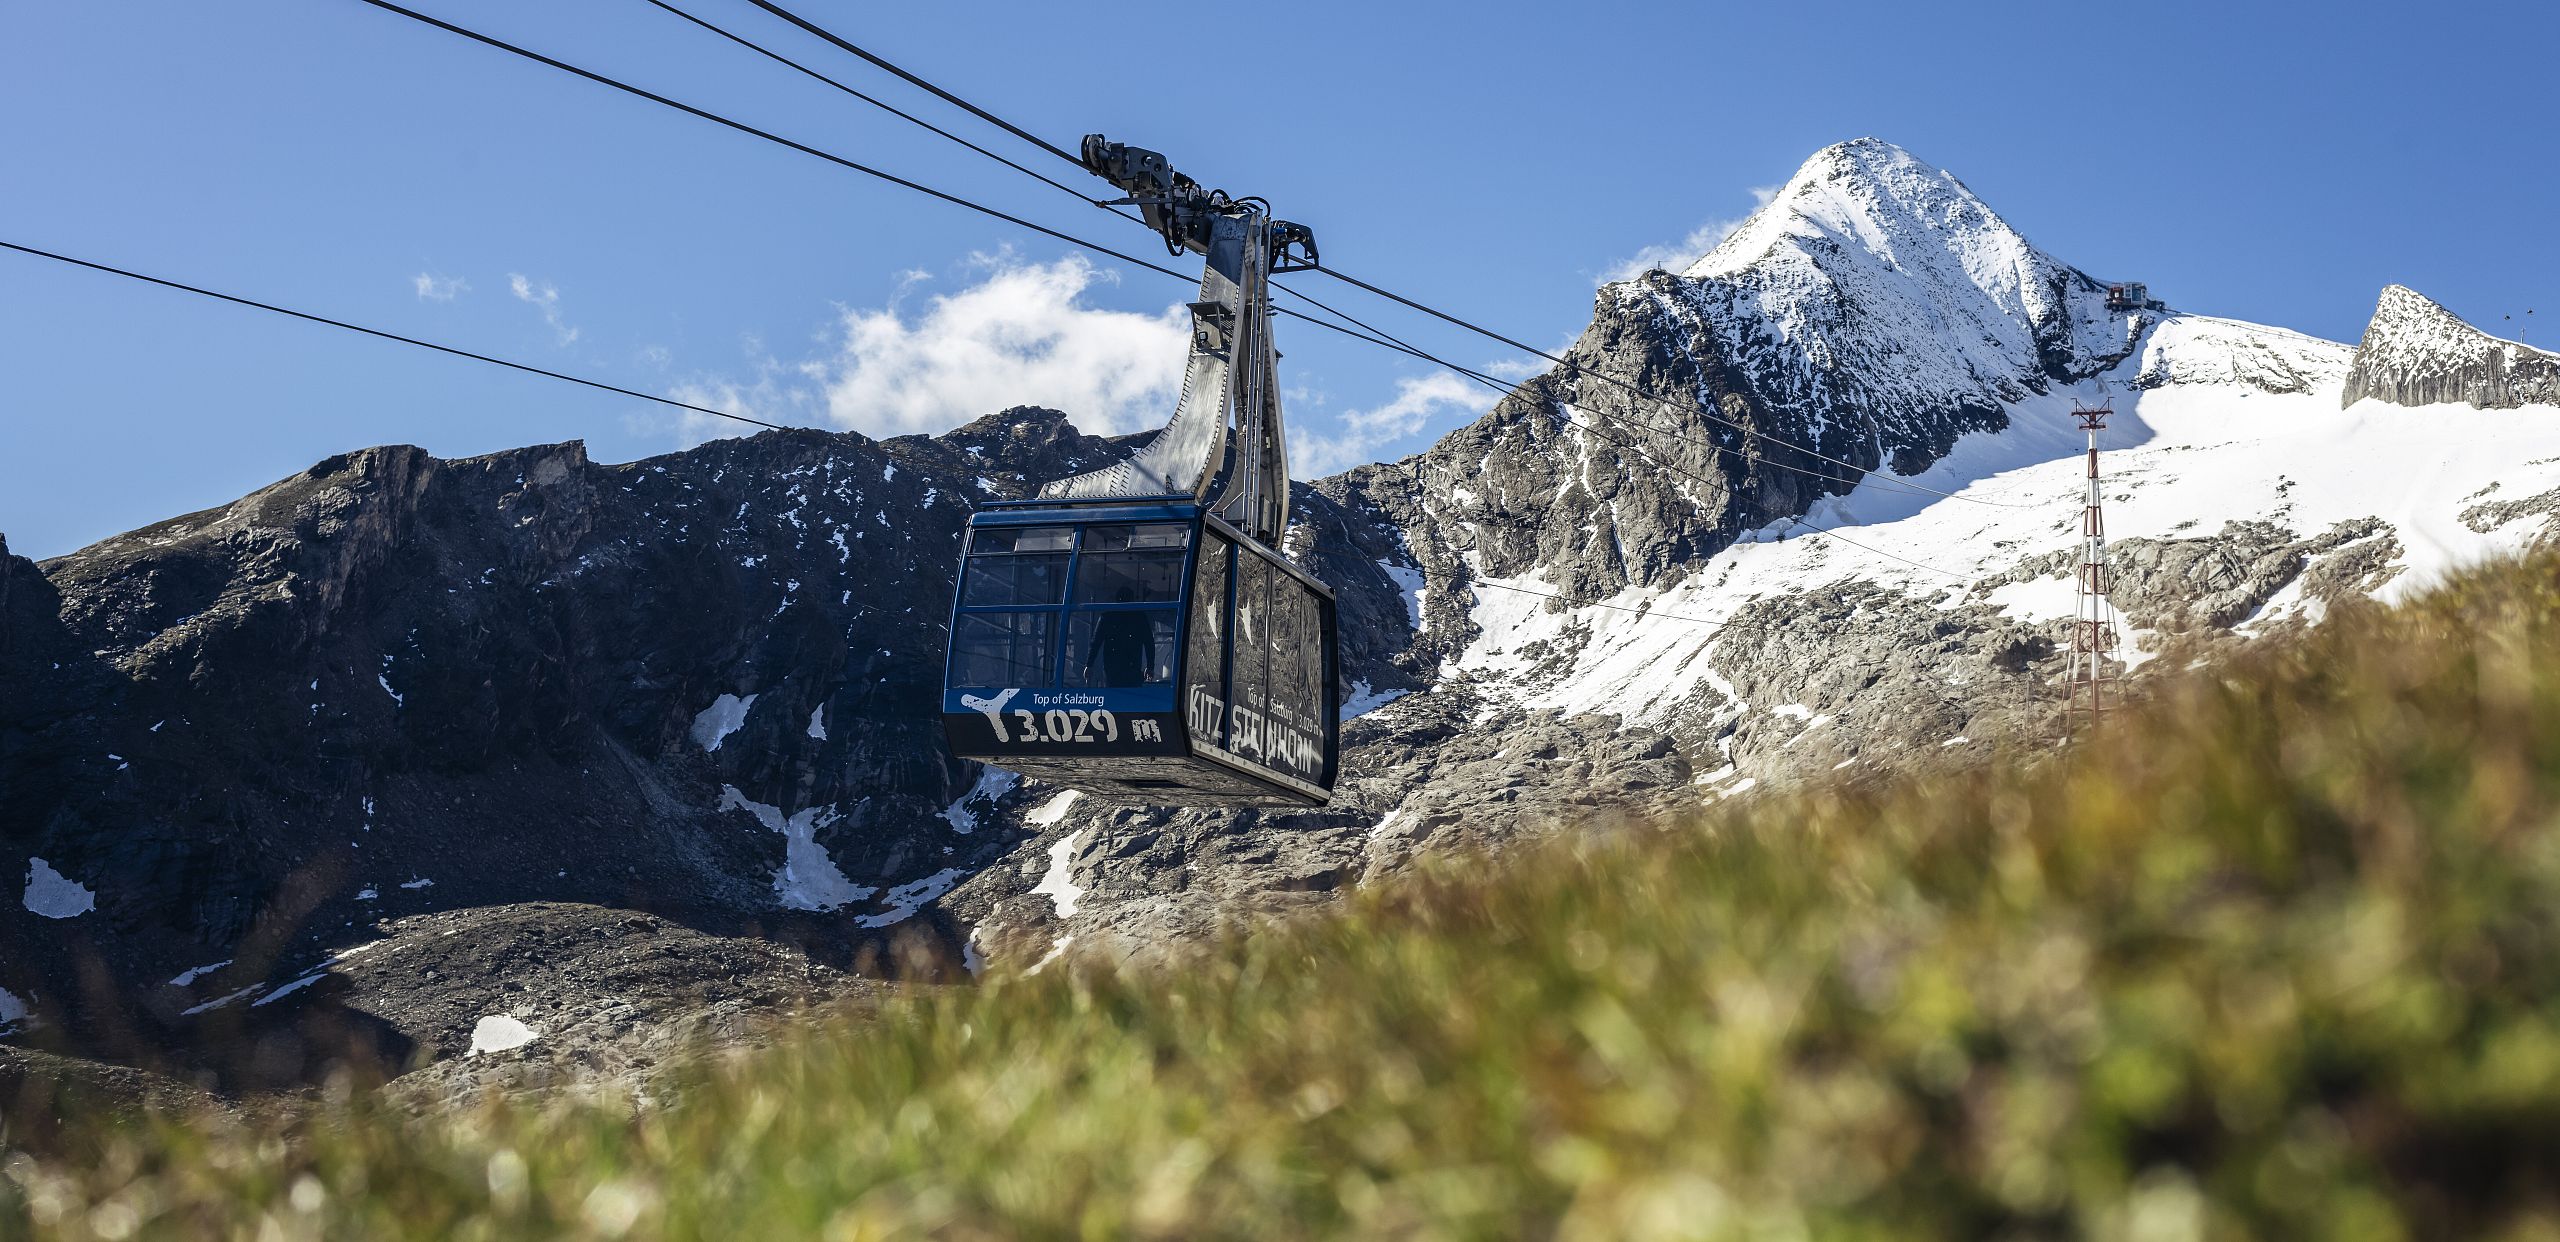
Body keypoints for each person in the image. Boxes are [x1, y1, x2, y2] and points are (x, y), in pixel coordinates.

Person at [1085, 588, 1159, 686]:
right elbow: (1149, 643)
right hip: (1131, 668)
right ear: (1132, 600)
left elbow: (1095, 643)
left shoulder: (1107, 617)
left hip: (1113, 669)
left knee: (1114, 696)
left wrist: (1089, 665)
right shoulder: (1139, 618)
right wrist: (1150, 667)